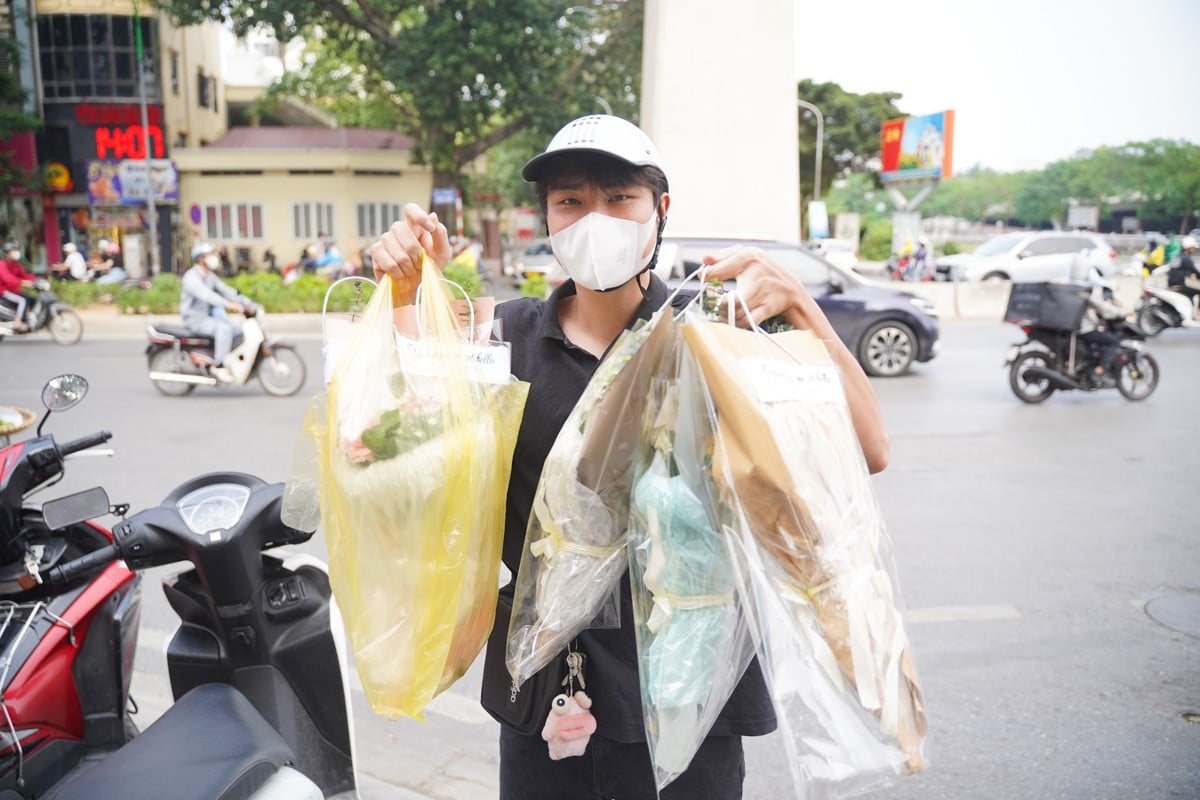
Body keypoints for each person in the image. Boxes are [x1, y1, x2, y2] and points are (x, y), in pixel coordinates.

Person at [370, 114, 889, 800]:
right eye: (572, 201)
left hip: (689, 700)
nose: (596, 220)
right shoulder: (503, 342)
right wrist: (408, 298)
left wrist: (799, 304)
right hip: (549, 696)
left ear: (659, 210)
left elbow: (868, 447)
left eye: (619, 199)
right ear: (548, 219)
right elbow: (406, 453)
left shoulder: (711, 337)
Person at [180, 242, 257, 381]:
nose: (213, 257)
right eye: (209, 255)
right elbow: (207, 295)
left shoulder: (209, 276)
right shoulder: (191, 277)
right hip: (195, 319)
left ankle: (223, 355)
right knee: (224, 329)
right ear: (201, 258)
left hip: (209, 318)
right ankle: (219, 366)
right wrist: (229, 305)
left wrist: (250, 304)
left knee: (239, 330)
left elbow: (228, 291)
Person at [0, 241, 36, 331]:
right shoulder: (2, 264)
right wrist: (23, 283)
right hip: (4, 291)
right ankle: (17, 321)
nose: (16, 252)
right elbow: (8, 279)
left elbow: (24, 275)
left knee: (31, 299)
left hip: (13, 290)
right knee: (22, 300)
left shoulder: (16, 264)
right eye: (14, 250)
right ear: (7, 252)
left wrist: (36, 280)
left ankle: (26, 319)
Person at [1165, 235, 1200, 318]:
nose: (1193, 250)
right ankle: (1198, 315)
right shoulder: (1186, 259)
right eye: (1193, 248)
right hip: (1179, 286)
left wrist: (1189, 274)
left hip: (1171, 284)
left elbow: (1178, 270)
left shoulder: (1177, 256)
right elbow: (1196, 272)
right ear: (1188, 248)